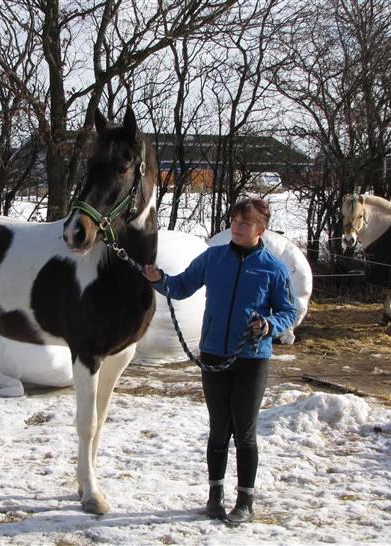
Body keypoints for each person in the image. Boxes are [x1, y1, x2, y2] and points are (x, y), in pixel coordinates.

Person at [142, 198, 296, 526]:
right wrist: (158, 279)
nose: (237, 228)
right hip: (213, 353)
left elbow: (288, 312)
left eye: (245, 224)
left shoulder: (273, 268)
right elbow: (181, 286)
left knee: (245, 433)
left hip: (252, 359)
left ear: (261, 229)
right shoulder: (214, 257)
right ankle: (214, 496)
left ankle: (245, 501)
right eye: (234, 222)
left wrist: (269, 325)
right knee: (218, 430)